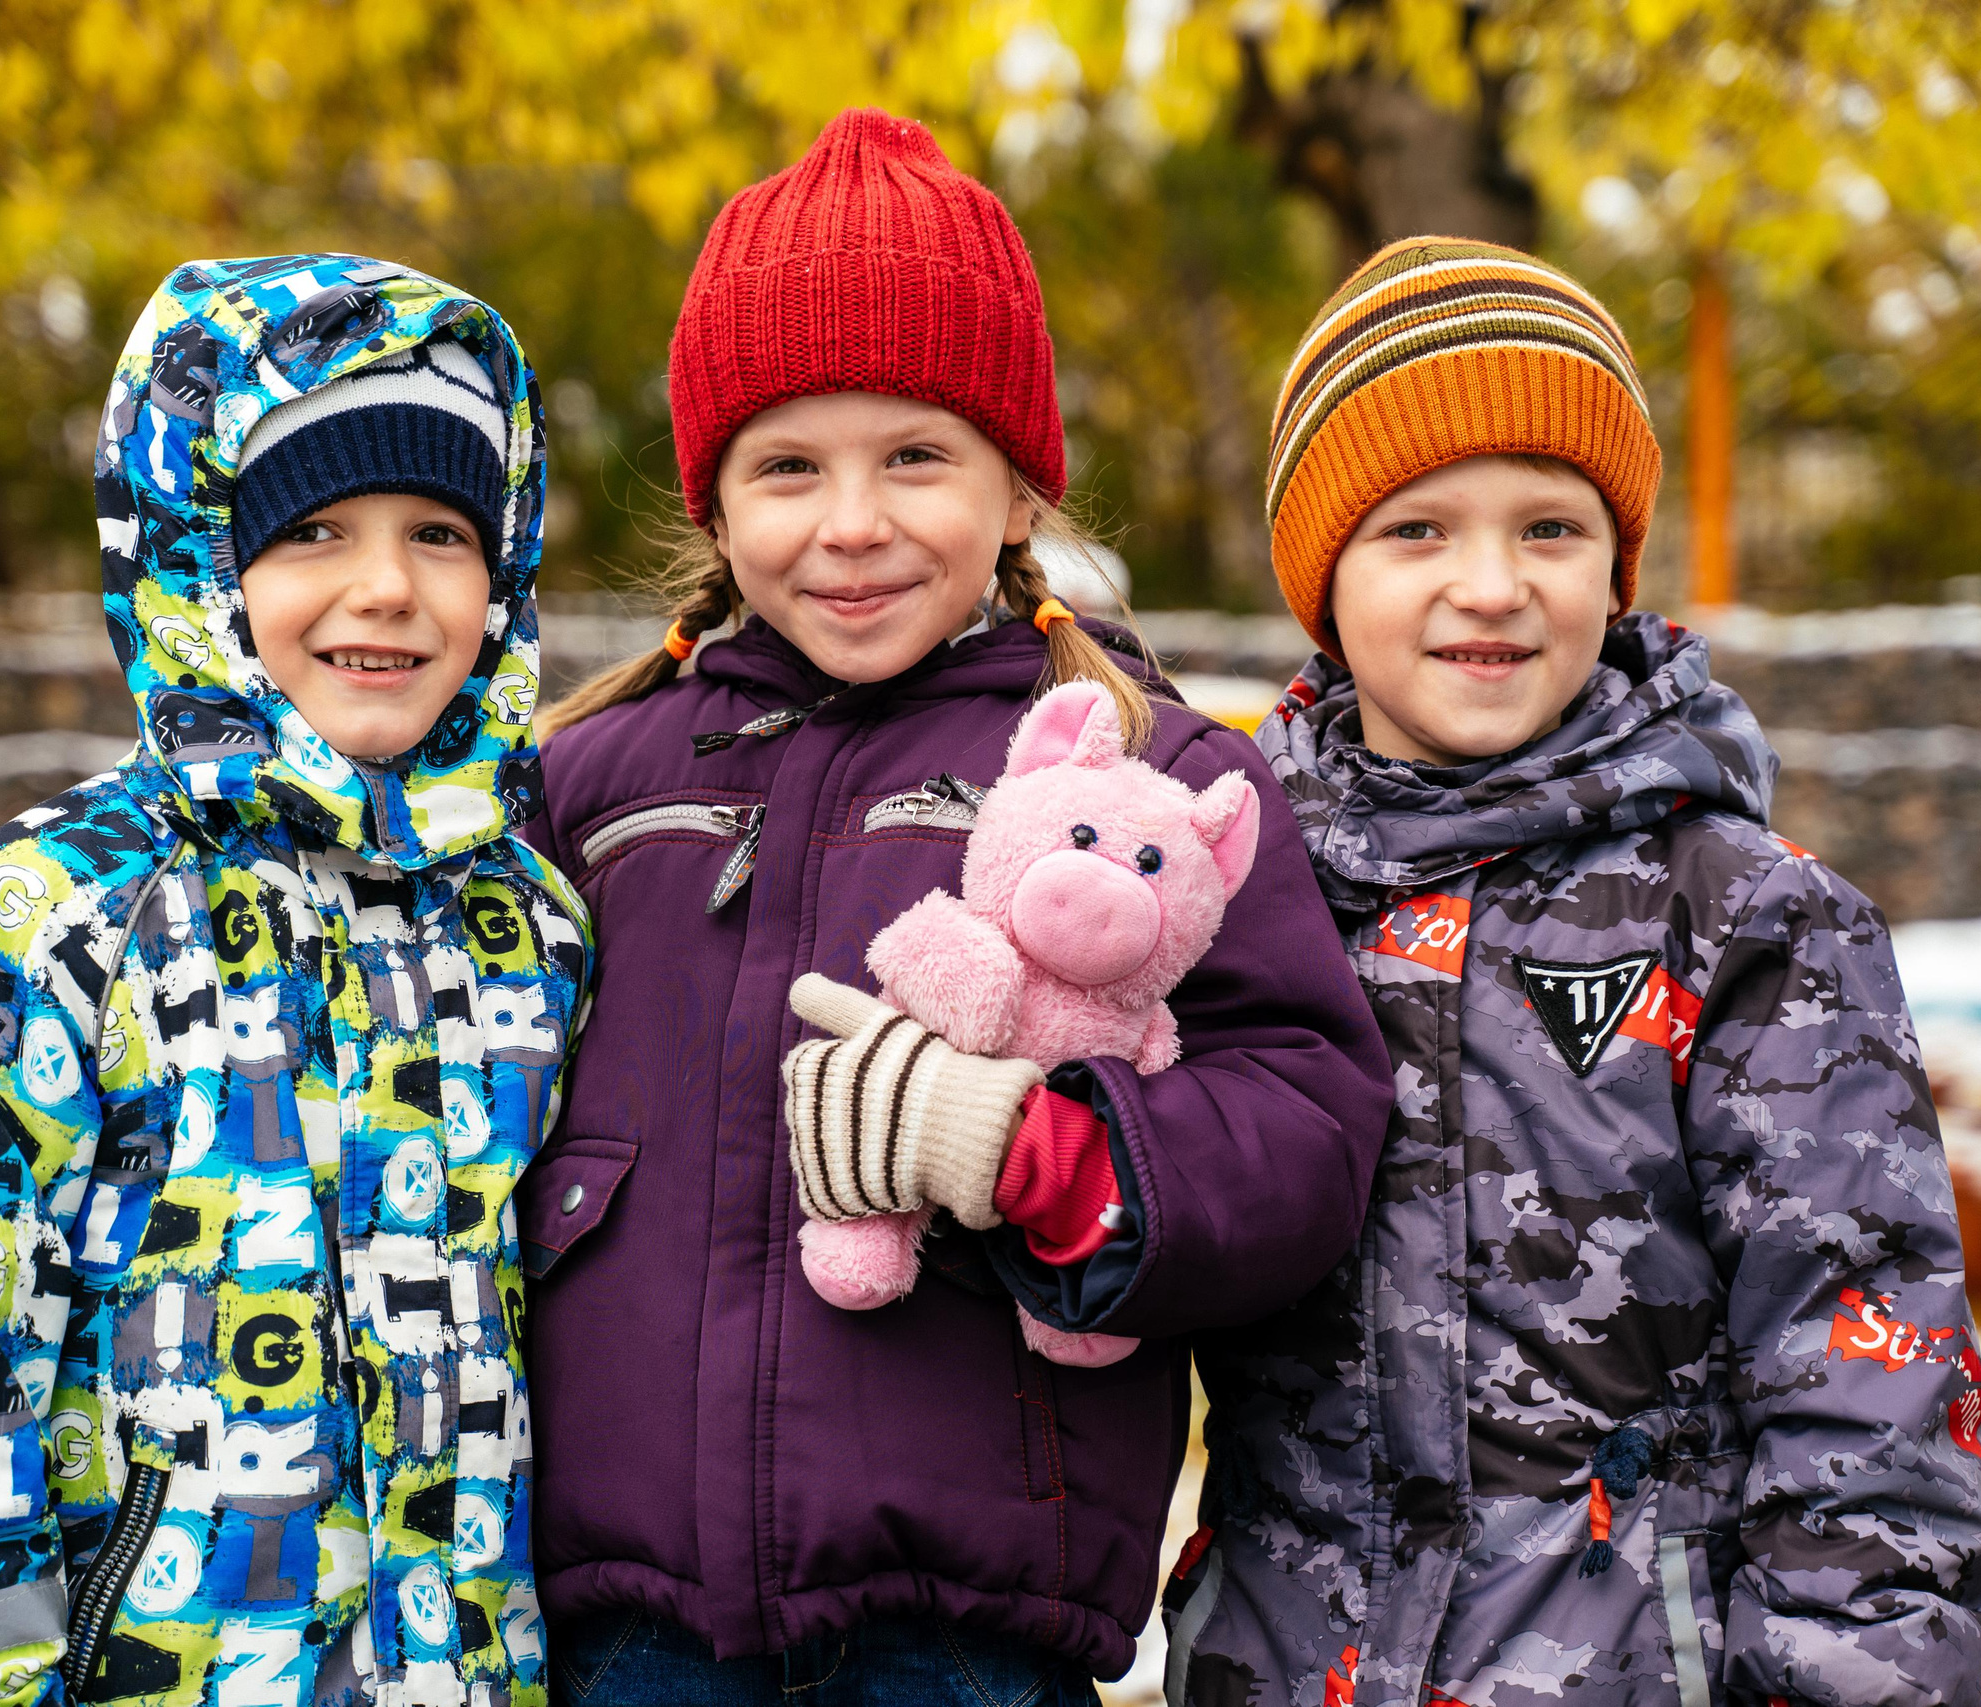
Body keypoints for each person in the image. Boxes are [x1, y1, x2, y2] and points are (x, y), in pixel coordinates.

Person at [518, 108, 1393, 1705]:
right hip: (621, 1623)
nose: (852, 524)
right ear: (715, 507)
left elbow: (1307, 1116)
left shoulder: (1147, 775)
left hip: (969, 1637)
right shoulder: (584, 784)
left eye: (915, 455)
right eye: (789, 466)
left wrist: (1051, 1156)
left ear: (1017, 488)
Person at [1165, 237, 1981, 1707]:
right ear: (1322, 575)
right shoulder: (1230, 894)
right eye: (1416, 530)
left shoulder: (1749, 923)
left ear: (1616, 568)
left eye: (1549, 528)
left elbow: (1867, 1377)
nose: (1488, 585)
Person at [0, 254, 591, 1707]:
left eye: (442, 532)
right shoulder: (45, 925)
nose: (388, 588)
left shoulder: (532, 926)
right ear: (202, 558)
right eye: (317, 532)